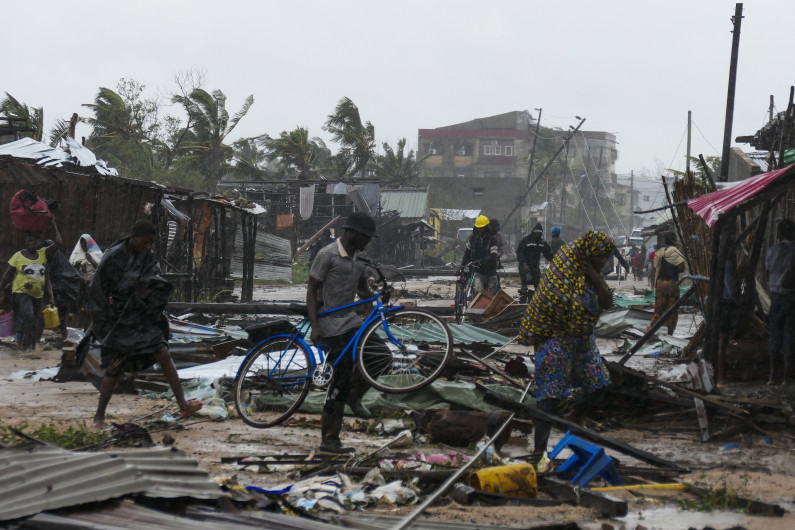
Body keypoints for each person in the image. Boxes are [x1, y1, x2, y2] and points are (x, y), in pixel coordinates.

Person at [89, 220, 201, 427]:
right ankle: (99, 417)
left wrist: (149, 291)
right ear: (134, 236)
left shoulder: (146, 257)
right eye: (145, 242)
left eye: (151, 243)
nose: (148, 246)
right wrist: (107, 316)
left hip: (142, 316)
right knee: (115, 368)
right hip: (121, 320)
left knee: (163, 354)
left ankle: (183, 404)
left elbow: (154, 279)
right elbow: (99, 290)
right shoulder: (114, 256)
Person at [518, 230, 614, 459]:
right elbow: (556, 303)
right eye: (599, 256)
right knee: (548, 394)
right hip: (556, 338)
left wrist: (594, 275)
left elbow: (608, 301)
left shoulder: (592, 275)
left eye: (605, 256)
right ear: (589, 253)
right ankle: (539, 448)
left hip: (583, 339)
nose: (603, 261)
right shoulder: (565, 266)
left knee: (601, 384)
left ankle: (574, 415)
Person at [307, 211, 377, 453]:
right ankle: (329, 440)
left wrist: (374, 299)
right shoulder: (327, 255)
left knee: (380, 355)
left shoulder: (360, 259)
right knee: (341, 375)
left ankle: (354, 397)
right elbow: (311, 290)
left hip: (350, 319)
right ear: (352, 233)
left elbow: (363, 290)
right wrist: (315, 325)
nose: (367, 242)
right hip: (328, 322)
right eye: (366, 237)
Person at [0, 222, 61, 350]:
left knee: (33, 321)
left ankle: (26, 344)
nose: (32, 244)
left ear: (38, 242)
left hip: (37, 295)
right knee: (30, 316)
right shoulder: (18, 256)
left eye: (34, 241)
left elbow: (58, 243)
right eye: (29, 242)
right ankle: (26, 347)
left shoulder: (43, 254)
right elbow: (7, 276)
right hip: (21, 292)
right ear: (25, 243)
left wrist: (53, 223)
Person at [765, 219, 795, 385]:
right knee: (789, 335)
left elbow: (768, 270)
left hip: (776, 298)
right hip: (791, 297)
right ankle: (785, 378)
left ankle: (770, 377)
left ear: (779, 234)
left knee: (774, 335)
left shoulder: (772, 251)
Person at [647, 233, 685, 335]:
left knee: (658, 310)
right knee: (672, 310)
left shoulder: (659, 252)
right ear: (674, 240)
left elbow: (655, 268)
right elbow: (681, 268)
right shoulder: (675, 251)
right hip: (672, 284)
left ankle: (650, 330)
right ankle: (669, 335)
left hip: (660, 284)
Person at [462, 215, 500, 295]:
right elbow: (467, 253)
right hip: (478, 271)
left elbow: (493, 255)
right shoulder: (473, 239)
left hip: (491, 271)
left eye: (482, 227)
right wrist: (462, 266)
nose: (480, 229)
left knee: (491, 294)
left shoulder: (492, 240)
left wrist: (481, 261)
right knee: (479, 292)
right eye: (479, 227)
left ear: (486, 227)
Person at [516, 222, 553, 299]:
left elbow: (548, 253)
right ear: (533, 231)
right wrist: (524, 263)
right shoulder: (526, 240)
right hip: (525, 264)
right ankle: (524, 290)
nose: (538, 234)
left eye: (539, 233)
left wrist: (553, 261)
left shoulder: (542, 242)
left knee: (537, 284)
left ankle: (537, 296)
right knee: (524, 278)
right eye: (536, 232)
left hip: (535, 265)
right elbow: (520, 252)